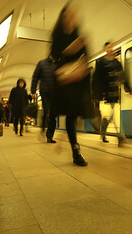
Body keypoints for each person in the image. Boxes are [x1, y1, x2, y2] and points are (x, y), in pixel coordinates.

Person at [92, 42, 132, 158]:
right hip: (105, 94)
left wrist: (129, 88)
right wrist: (96, 96)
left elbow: (123, 76)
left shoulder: (116, 63)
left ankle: (104, 133)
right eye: (109, 47)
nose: (111, 49)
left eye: (112, 47)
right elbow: (96, 80)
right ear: (105, 49)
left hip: (114, 94)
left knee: (111, 115)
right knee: (112, 115)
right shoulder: (100, 63)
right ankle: (120, 137)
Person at [51, 2, 93, 166]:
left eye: (74, 15)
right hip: (65, 82)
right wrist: (69, 50)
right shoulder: (57, 36)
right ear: (63, 18)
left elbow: (87, 57)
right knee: (70, 115)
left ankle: (76, 149)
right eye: (68, 15)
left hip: (78, 81)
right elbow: (54, 56)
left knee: (73, 115)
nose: (71, 18)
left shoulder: (80, 36)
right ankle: (76, 150)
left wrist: (83, 66)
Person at [31, 54, 57, 143]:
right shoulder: (42, 63)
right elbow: (35, 77)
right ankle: (43, 128)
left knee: (53, 114)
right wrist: (33, 90)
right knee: (47, 111)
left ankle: (50, 136)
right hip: (45, 91)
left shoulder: (59, 63)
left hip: (55, 92)